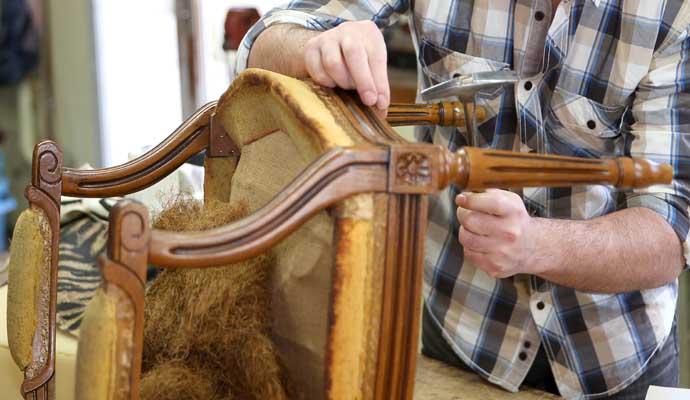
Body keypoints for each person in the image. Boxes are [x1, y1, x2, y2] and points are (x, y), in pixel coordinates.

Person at [236, 1, 690, 398]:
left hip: (614, 351)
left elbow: (670, 227)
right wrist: (313, 48)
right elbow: (265, 43)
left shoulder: (670, 11)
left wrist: (536, 245)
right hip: (463, 329)